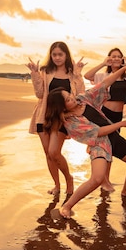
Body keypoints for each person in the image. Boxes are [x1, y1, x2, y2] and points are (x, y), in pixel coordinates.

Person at [44, 63, 126, 218]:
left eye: (70, 95)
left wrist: (122, 70)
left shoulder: (83, 99)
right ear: (61, 107)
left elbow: (103, 84)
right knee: (97, 178)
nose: (73, 98)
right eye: (68, 100)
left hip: (114, 138)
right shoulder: (71, 123)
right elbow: (98, 132)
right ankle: (67, 206)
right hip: (100, 145)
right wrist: (121, 124)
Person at [26, 42, 86, 196]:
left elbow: (80, 94)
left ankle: (69, 179)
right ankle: (57, 185)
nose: (57, 57)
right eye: (54, 54)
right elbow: (40, 94)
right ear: (51, 55)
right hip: (45, 115)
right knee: (48, 153)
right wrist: (35, 73)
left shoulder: (72, 73)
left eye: (61, 54)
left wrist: (78, 73)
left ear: (66, 55)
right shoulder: (46, 71)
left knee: (54, 152)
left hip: (63, 118)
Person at [84, 48, 126, 191]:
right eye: (113, 56)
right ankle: (103, 180)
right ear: (109, 58)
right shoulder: (104, 75)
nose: (116, 59)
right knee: (105, 147)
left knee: (111, 148)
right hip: (104, 114)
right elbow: (87, 75)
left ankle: (106, 179)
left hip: (118, 116)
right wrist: (103, 63)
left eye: (119, 57)